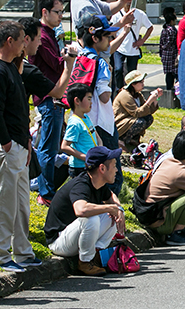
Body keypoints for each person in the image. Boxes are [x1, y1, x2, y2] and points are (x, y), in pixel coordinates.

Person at [0, 21, 43, 272]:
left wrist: (25, 140)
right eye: (21, 40)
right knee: (3, 202)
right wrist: (6, 142)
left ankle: (22, 251)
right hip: (4, 146)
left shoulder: (10, 67)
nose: (24, 44)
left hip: (18, 144)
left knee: (20, 204)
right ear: (9, 41)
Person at [43, 146, 124, 276]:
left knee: (112, 215)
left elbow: (111, 197)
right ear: (102, 168)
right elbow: (81, 210)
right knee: (91, 218)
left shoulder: (98, 183)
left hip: (76, 237)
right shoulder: (81, 185)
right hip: (59, 242)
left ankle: (97, 255)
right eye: (114, 165)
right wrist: (110, 208)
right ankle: (85, 262)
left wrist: (119, 210)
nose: (116, 170)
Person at [20, 15, 77, 203]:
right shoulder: (44, 38)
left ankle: (46, 190)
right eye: (57, 11)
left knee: (48, 149)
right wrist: (68, 62)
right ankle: (45, 193)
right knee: (47, 149)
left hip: (50, 101)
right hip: (48, 100)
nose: (61, 16)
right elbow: (57, 69)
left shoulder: (48, 36)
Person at [78, 15, 124, 195]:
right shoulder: (100, 63)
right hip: (102, 121)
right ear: (95, 38)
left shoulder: (80, 57)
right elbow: (105, 96)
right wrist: (110, 77)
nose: (110, 40)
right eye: (107, 36)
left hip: (84, 118)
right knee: (111, 170)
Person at [110, 0, 153, 91]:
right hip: (119, 48)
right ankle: (119, 89)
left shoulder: (139, 14)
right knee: (118, 69)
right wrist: (116, 39)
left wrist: (142, 40)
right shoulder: (117, 14)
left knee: (132, 73)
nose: (128, 5)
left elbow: (150, 27)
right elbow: (112, 29)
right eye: (127, 2)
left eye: (131, 2)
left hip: (133, 48)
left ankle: (131, 91)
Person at [62, 83, 101, 179]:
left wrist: (100, 149)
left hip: (91, 164)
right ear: (77, 101)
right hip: (80, 167)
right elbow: (64, 146)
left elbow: (96, 136)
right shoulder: (75, 123)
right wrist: (85, 157)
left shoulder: (86, 117)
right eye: (88, 99)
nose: (91, 102)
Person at [114, 70, 161, 150]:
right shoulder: (125, 95)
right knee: (140, 122)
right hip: (120, 124)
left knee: (148, 118)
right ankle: (121, 140)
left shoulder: (137, 94)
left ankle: (133, 138)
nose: (143, 84)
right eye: (140, 82)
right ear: (133, 84)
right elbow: (136, 113)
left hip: (130, 120)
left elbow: (147, 111)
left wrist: (156, 99)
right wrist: (149, 101)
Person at [159, 7, 178, 90]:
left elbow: (161, 42)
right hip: (171, 54)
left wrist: (162, 49)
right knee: (174, 73)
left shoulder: (164, 29)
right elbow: (170, 42)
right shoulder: (172, 30)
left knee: (168, 73)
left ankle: (169, 88)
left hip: (165, 55)